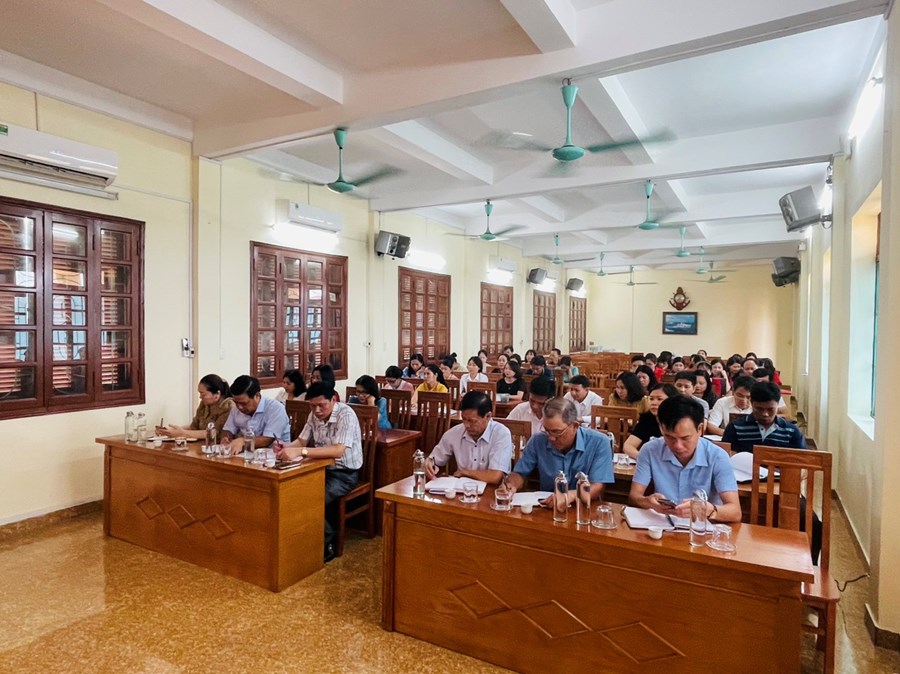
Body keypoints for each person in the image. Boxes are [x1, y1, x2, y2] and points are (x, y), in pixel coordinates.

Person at [274, 382, 363, 563]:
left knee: (310, 498)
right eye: (312, 406)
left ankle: (327, 543)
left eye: (322, 405)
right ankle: (298, 540)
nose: (317, 410)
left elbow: (338, 450)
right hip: (319, 468)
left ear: (333, 400)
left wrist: (300, 452)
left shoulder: (346, 414)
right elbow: (301, 441)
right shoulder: (314, 414)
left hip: (344, 473)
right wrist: (287, 447)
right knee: (291, 492)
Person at [628, 396, 741, 523]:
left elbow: (735, 512)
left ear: (700, 429)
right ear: (661, 428)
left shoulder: (718, 456)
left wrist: (709, 510)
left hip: (702, 528)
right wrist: (648, 502)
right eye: (669, 437)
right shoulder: (649, 450)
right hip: (662, 524)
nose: (678, 446)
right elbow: (634, 497)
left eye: (685, 438)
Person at [506, 397, 615, 504]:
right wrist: (511, 485)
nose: (551, 438)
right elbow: (520, 473)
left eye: (556, 432)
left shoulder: (599, 442)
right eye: (547, 430)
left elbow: (597, 486)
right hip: (548, 505)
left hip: (584, 508)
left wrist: (569, 496)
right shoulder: (538, 440)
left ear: (575, 426)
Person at [424, 391, 512, 485]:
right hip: (461, 489)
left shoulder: (501, 434)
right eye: (464, 419)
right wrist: (429, 463)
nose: (466, 425)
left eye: (472, 421)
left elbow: (495, 476)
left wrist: (465, 473)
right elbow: (434, 460)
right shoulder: (455, 433)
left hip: (492, 490)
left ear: (488, 416)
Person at [722, 382, 806, 454]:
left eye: (770, 409)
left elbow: (802, 460)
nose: (765, 414)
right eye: (759, 409)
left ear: (778, 405)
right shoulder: (735, 427)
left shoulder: (791, 431)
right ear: (751, 403)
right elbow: (725, 456)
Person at [221, 375, 291, 454]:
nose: (239, 407)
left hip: (274, 455)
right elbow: (228, 429)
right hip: (246, 454)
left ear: (257, 396)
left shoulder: (275, 408)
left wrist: (243, 441)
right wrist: (225, 438)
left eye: (244, 403)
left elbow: (268, 439)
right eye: (236, 402)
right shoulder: (236, 408)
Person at [156, 373, 234, 439]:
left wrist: (183, 433)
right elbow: (194, 426)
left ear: (217, 394)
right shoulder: (204, 404)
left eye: (203, 394)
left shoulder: (228, 406)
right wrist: (170, 430)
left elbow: (214, 433)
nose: (200, 397)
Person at [622, 383, 679, 458]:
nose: (653, 403)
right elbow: (628, 446)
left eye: (659, 399)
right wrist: (644, 458)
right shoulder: (647, 419)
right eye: (651, 399)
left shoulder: (680, 421)